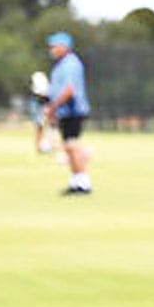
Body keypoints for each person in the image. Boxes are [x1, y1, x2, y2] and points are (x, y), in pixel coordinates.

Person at [44, 33, 93, 194]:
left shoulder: (71, 64)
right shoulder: (61, 65)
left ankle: (83, 183)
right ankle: (76, 181)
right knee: (69, 146)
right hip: (65, 111)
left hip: (73, 110)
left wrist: (53, 107)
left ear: (64, 47)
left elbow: (69, 90)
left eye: (55, 46)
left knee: (72, 145)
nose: (52, 49)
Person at [30, 70, 56, 153]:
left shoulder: (44, 89)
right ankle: (40, 147)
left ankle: (48, 146)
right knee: (40, 126)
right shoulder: (38, 94)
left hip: (44, 106)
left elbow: (45, 98)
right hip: (41, 106)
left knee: (48, 126)